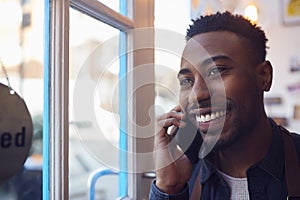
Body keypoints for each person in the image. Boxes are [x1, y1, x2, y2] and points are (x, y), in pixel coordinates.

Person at [149, 11, 300, 199]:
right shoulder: (183, 175)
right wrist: (169, 189)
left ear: (264, 77)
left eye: (217, 71)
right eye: (187, 81)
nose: (197, 95)